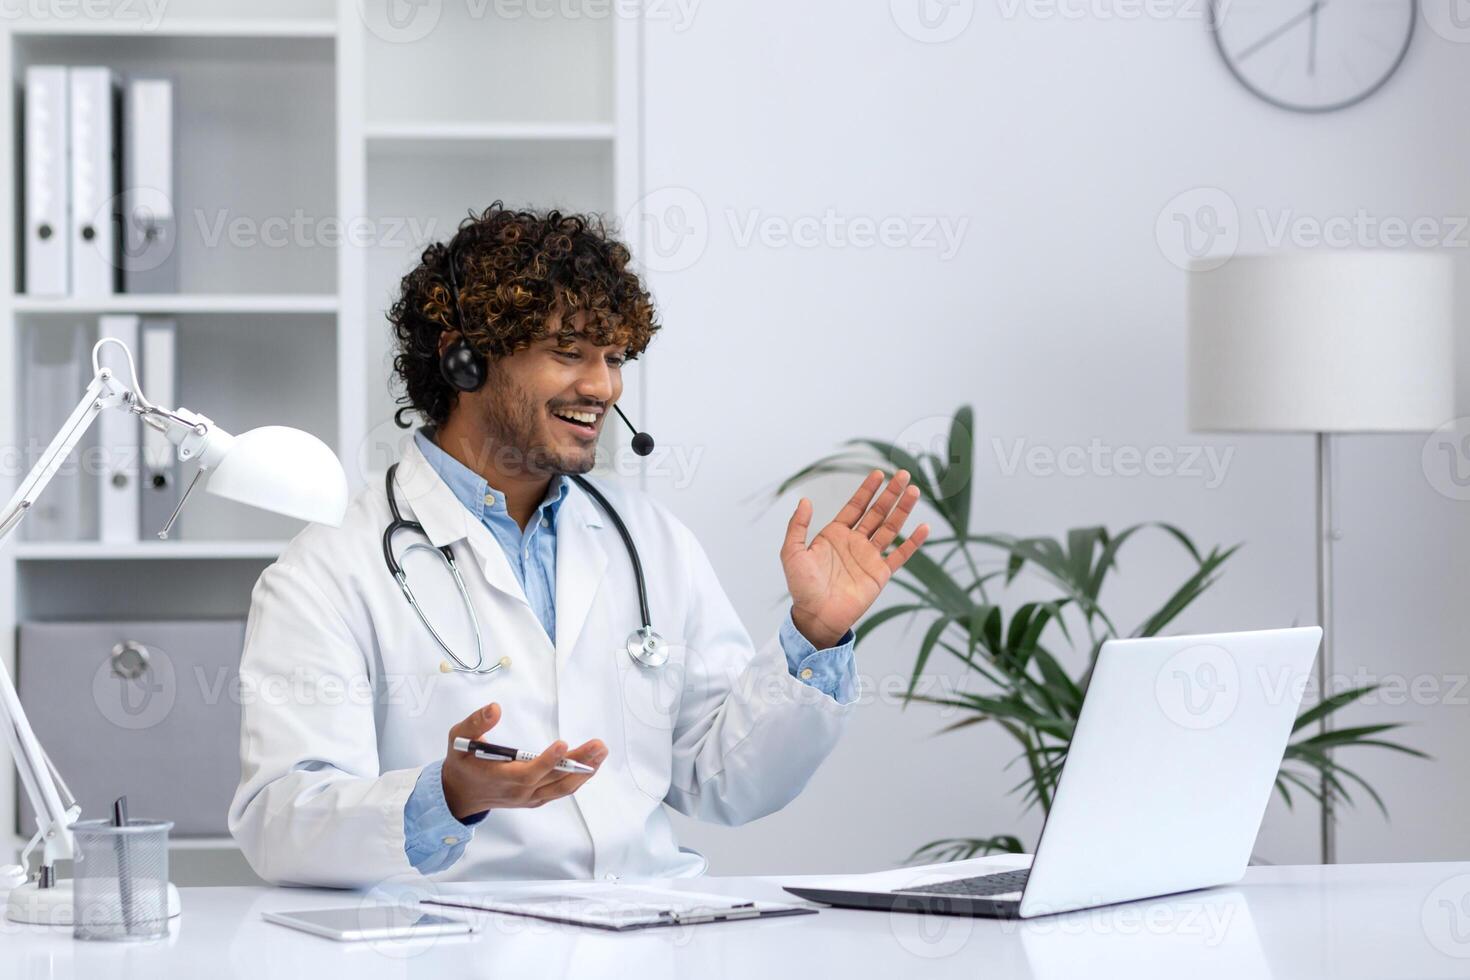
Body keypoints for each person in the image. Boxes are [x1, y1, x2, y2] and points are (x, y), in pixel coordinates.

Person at [228, 204, 929, 885]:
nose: (602, 386)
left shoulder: (649, 542)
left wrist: (814, 634)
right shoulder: (328, 570)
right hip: (459, 945)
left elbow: (728, 781)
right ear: (464, 360)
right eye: (569, 353)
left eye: (614, 357)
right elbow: (282, 824)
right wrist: (447, 795)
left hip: (650, 933)